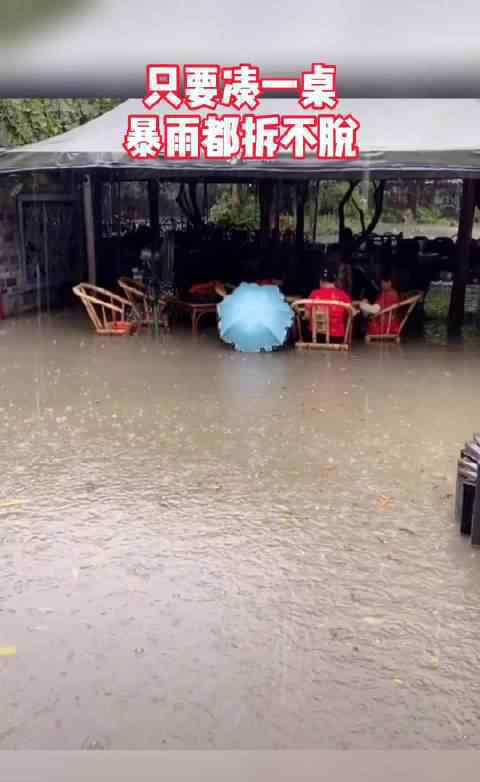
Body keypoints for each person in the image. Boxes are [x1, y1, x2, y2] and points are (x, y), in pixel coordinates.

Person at [306, 261, 353, 342]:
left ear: (320, 281)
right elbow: (349, 315)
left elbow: (307, 316)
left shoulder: (313, 294)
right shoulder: (343, 295)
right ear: (335, 281)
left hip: (316, 337)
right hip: (337, 338)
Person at [359, 272, 401, 336]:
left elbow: (376, 309)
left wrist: (361, 304)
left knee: (362, 305)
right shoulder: (389, 293)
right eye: (381, 283)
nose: (381, 285)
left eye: (383, 283)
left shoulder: (391, 294)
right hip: (383, 317)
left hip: (384, 321)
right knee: (364, 302)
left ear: (389, 283)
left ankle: (366, 317)